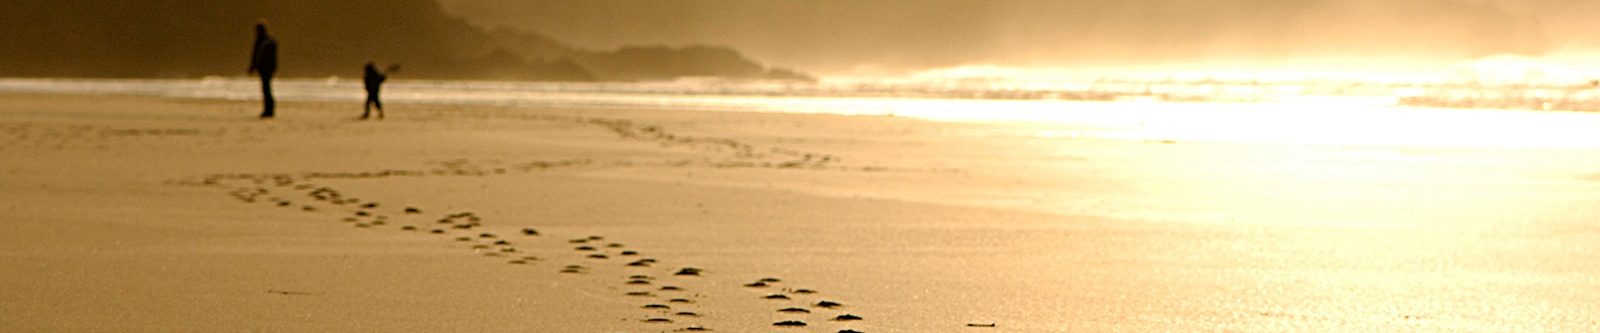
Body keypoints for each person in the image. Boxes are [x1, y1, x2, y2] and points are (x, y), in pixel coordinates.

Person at [248, 21, 279, 119]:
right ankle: (268, 109)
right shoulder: (267, 41)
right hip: (266, 68)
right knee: (266, 89)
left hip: (266, 68)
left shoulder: (265, 42)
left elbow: (257, 55)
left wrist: (253, 66)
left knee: (266, 89)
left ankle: (269, 110)